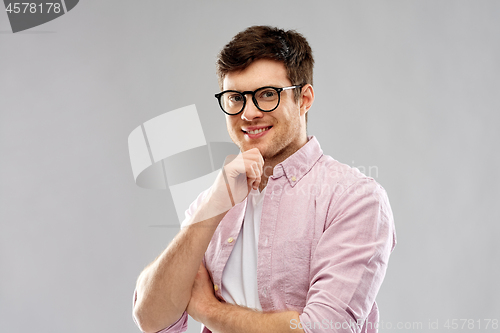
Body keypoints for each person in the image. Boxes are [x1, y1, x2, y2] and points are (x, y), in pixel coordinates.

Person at [132, 25, 396, 333]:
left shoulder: (354, 198)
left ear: (304, 99)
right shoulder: (213, 202)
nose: (249, 112)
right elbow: (150, 318)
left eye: (267, 95)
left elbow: (322, 329)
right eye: (235, 97)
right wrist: (212, 207)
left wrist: (208, 310)